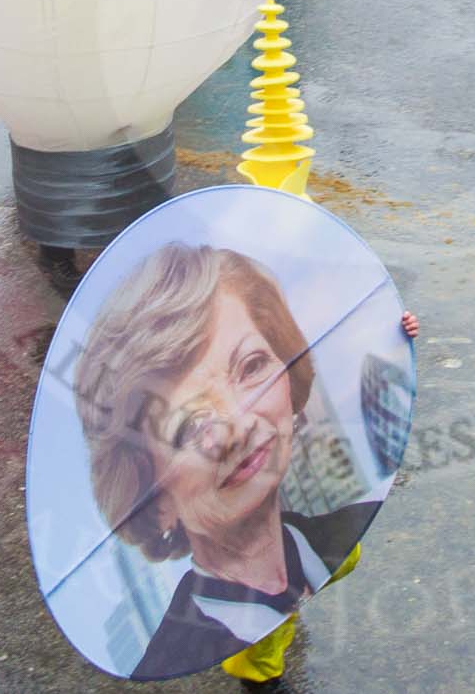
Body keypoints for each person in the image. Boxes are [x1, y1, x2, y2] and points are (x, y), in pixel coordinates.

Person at [70, 242, 417, 683]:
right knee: (261, 661)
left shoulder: (339, 536)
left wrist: (393, 331)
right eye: (187, 425)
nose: (235, 424)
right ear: (153, 496)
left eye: (251, 366)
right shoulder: (175, 649)